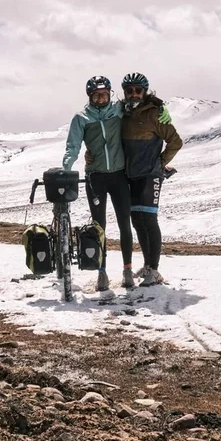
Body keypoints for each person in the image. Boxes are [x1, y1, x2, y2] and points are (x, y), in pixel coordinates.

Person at [62, 75, 132, 291]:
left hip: (120, 175)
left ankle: (127, 270)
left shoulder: (120, 110)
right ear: (90, 96)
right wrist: (67, 168)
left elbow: (144, 116)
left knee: (124, 224)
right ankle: (102, 272)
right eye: (97, 95)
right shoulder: (81, 118)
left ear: (110, 93)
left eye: (105, 94)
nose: (102, 99)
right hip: (96, 177)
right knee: (99, 225)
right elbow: (72, 146)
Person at [120, 72, 183, 286]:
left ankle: (154, 271)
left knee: (148, 220)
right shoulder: (123, 113)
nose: (134, 94)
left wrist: (160, 163)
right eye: (130, 90)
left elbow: (175, 141)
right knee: (137, 221)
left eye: (138, 90)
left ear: (145, 91)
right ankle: (147, 265)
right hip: (131, 175)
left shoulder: (155, 114)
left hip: (149, 176)